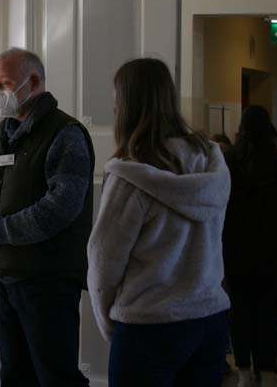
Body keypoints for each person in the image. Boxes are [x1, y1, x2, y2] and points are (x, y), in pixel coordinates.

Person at [87, 57, 231, 387]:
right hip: (209, 318)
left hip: (148, 324)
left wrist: (111, 321)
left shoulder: (131, 173)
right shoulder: (210, 161)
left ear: (126, 106)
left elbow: (104, 259)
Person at [0, 48, 94, 386]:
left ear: (34, 82)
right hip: (6, 274)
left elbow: (62, 206)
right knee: (15, 375)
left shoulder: (66, 134)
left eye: (5, 84)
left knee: (56, 376)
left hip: (47, 279)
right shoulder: (7, 134)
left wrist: (1, 230)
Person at [222, 106, 277, 386]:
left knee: (239, 312)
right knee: (267, 312)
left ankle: (244, 371)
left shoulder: (228, 161)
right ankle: (268, 370)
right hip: (273, 251)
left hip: (235, 250)